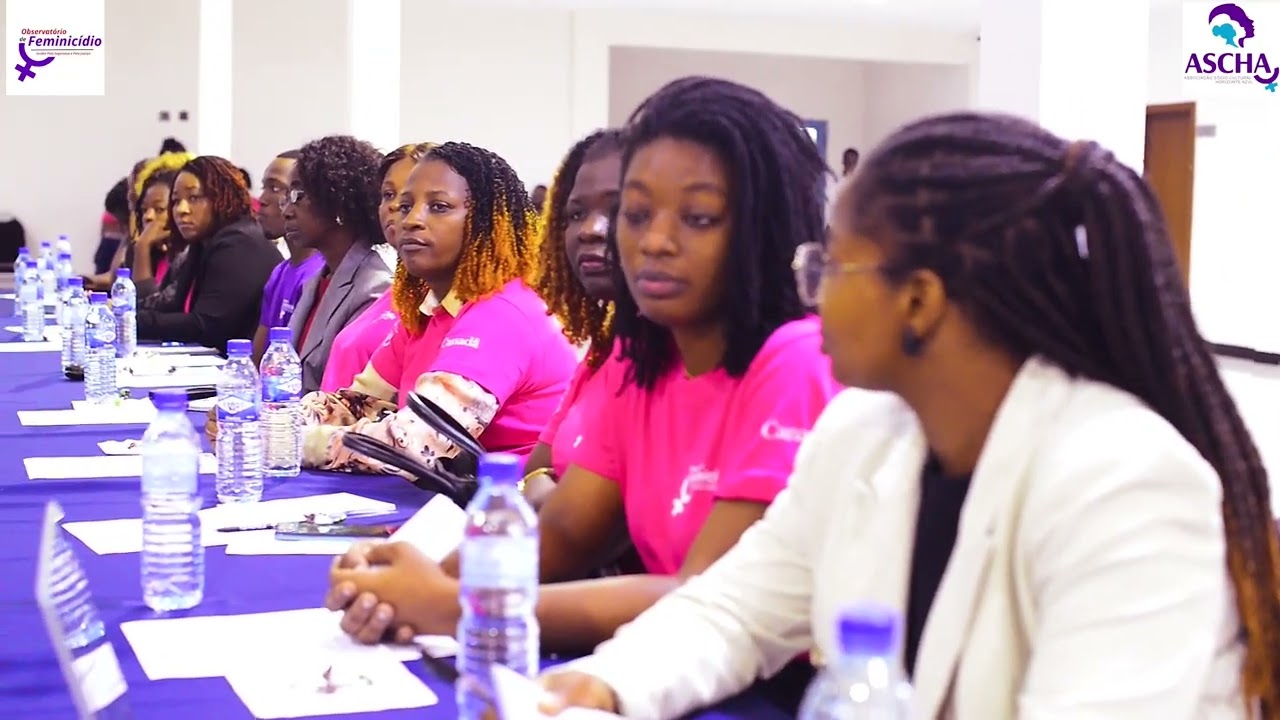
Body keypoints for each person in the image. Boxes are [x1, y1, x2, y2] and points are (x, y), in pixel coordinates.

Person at [533, 113, 1280, 719]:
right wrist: (600, 686)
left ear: (918, 300)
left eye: (832, 265)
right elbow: (732, 612)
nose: (812, 289)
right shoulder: (862, 434)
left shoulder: (1123, 483)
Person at [324, 78, 841, 662]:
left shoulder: (796, 359)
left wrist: (453, 604)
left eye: (697, 217)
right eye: (637, 214)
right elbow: (567, 533)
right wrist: (412, 582)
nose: (653, 241)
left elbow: (712, 601)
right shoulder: (636, 358)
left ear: (765, 227)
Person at [297, 141, 575, 473]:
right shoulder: (429, 310)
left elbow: (417, 445)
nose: (410, 220)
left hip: (506, 501)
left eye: (439, 207)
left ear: (488, 221)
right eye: (404, 206)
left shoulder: (502, 313)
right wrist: (277, 423)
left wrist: (298, 443)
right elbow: (357, 403)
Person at [520, 128, 623, 506]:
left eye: (619, 210)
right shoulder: (605, 349)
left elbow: (579, 518)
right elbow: (535, 469)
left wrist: (542, 488)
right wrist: (540, 484)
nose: (590, 230)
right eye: (576, 214)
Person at [136, 155, 282, 351]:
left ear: (221, 197)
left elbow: (207, 326)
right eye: (176, 201)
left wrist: (132, 322)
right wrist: (121, 314)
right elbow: (171, 306)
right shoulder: (203, 242)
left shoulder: (239, 243)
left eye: (194, 198)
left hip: (243, 364)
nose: (181, 210)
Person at [319, 143, 432, 392]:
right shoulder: (399, 292)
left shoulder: (439, 301)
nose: (396, 206)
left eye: (410, 198)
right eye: (389, 194)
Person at [283, 136, 392, 393]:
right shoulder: (316, 281)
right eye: (287, 197)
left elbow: (343, 391)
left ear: (337, 201)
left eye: (299, 195)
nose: (287, 210)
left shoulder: (374, 289)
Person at [250, 150, 320, 363]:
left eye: (275, 188)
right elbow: (257, 359)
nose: (262, 200)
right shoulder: (280, 271)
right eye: (264, 187)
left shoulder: (318, 275)